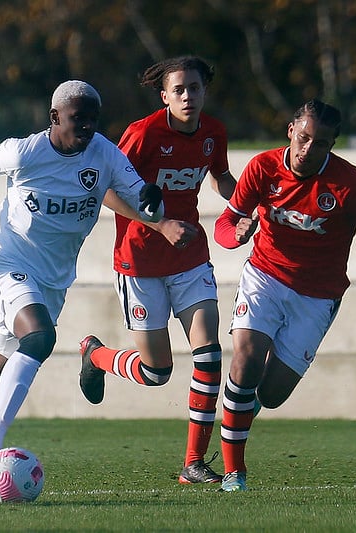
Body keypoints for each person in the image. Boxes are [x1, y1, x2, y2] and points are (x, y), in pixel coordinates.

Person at [0, 80, 164, 499]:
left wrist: (153, 201)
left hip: (54, 278)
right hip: (7, 259)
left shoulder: (106, 155)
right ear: (55, 118)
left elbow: (144, 200)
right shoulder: (25, 151)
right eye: (79, 118)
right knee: (39, 337)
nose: (88, 126)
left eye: (94, 118)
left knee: (6, 361)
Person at [213, 99, 356, 492]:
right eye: (303, 138)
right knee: (245, 359)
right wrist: (237, 236)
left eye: (320, 143)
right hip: (264, 275)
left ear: (332, 145)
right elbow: (226, 222)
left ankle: (237, 420)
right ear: (290, 131)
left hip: (317, 296)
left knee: (272, 394)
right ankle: (234, 472)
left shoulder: (349, 184)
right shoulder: (263, 168)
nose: (308, 149)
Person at [77, 56, 236, 484]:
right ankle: (96, 355)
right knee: (156, 373)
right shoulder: (143, 134)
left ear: (205, 91)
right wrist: (159, 224)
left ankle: (193, 464)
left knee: (209, 353)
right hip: (140, 261)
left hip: (190, 259)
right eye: (179, 90)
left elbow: (220, 176)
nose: (188, 96)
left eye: (195, 88)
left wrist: (241, 203)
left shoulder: (213, 132)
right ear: (164, 96)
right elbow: (104, 189)